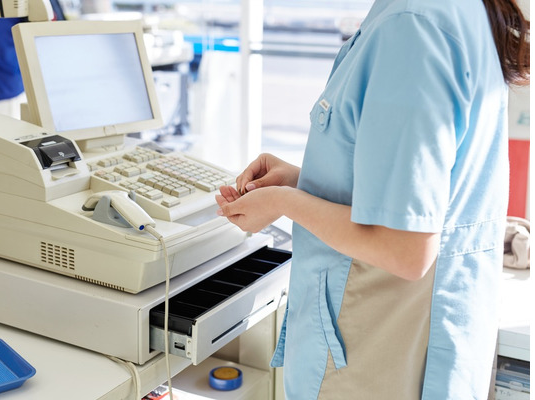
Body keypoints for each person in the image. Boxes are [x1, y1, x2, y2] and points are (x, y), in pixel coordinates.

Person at [215, 0, 529, 398]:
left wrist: (283, 202)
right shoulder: (448, 11)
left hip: (377, 356)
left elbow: (405, 249)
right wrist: (302, 181)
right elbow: (417, 192)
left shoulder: (413, 25)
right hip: (417, 344)